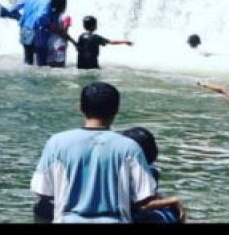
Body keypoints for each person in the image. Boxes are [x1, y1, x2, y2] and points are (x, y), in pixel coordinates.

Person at [30, 81, 158, 223]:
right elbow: (144, 197)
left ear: (80, 108)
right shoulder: (130, 147)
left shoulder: (57, 143)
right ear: (116, 109)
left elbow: (42, 191)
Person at [120, 126, 187, 223]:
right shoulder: (145, 171)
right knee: (169, 215)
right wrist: (173, 201)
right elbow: (142, 206)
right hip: (131, 215)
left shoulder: (116, 167)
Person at [2, 0, 56, 66]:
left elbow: (11, 10)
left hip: (24, 29)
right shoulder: (46, 1)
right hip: (38, 31)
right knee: (41, 61)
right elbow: (42, 16)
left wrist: (21, 18)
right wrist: (40, 25)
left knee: (28, 60)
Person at [45, 0, 77, 68]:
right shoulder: (66, 17)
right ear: (64, 5)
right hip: (60, 43)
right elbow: (64, 33)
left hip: (48, 42)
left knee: (49, 65)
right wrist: (74, 42)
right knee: (60, 66)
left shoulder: (49, 16)